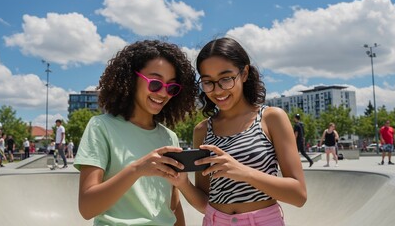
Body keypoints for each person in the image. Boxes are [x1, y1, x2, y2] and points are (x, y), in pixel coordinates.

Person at [175, 37, 307, 225]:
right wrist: (183, 184)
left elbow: (299, 195)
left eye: (226, 79)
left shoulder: (271, 118)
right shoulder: (202, 130)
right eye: (208, 82)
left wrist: (244, 172)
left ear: (244, 73)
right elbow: (205, 202)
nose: (218, 90)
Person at [73, 39, 198, 225]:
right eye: (155, 83)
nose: (163, 93)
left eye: (171, 87)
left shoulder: (169, 137)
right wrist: (137, 169)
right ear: (132, 79)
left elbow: (173, 205)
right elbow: (87, 207)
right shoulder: (101, 127)